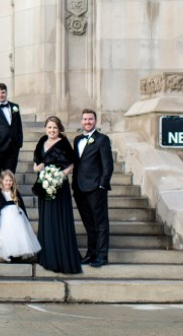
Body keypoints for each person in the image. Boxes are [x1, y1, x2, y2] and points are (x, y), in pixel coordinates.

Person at [32, 116, 82, 274]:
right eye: (49, 128)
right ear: (45, 129)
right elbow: (35, 166)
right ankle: (47, 255)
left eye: (55, 128)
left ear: (59, 129)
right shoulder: (41, 142)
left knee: (59, 218)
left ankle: (61, 256)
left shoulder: (64, 143)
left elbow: (72, 164)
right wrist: (44, 168)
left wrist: (60, 175)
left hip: (59, 186)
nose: (52, 130)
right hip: (44, 185)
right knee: (46, 219)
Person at [73, 108, 113, 267]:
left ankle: (102, 256)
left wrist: (102, 185)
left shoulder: (102, 140)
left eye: (90, 119)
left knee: (100, 224)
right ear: (81, 121)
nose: (87, 122)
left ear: (95, 121)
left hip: (96, 188)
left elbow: (107, 165)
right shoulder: (77, 140)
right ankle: (91, 254)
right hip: (79, 189)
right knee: (89, 224)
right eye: (85, 119)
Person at [0, 170, 40, 263]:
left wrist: (26, 218)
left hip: (17, 217)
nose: (8, 182)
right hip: (5, 218)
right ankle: (7, 253)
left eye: (10, 181)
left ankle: (17, 253)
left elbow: (21, 205)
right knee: (7, 235)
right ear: (2, 181)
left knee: (18, 234)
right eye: (6, 180)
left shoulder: (15, 192)